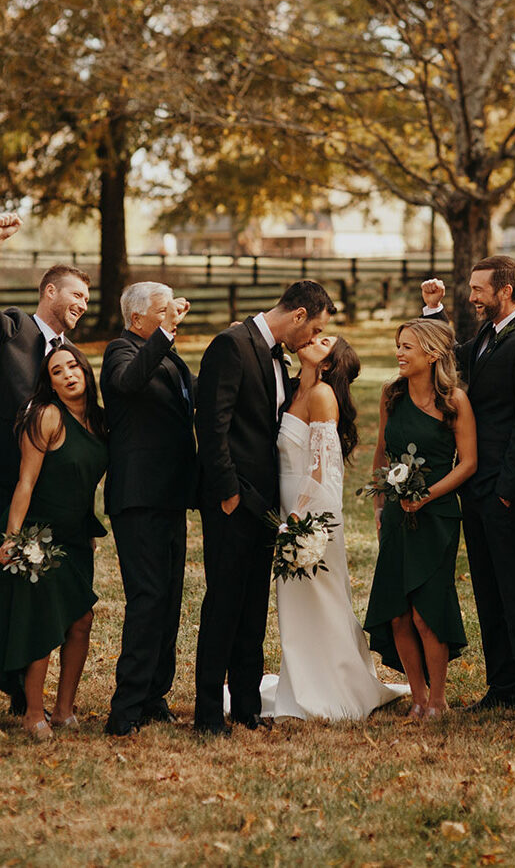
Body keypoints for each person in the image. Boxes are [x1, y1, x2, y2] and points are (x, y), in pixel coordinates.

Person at [194, 280, 337, 736]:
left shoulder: (278, 356)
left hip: (267, 507)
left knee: (253, 607)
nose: (312, 339)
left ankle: (246, 706)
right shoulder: (231, 346)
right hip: (233, 501)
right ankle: (208, 713)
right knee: (224, 605)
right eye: (313, 328)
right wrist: (228, 492)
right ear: (297, 315)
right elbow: (212, 426)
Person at [429, 255, 515, 720]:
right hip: (475, 488)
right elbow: (455, 354)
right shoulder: (487, 333)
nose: (471, 296)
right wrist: (434, 314)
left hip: (506, 492)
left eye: (479, 289)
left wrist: (504, 490)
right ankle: (501, 684)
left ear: (505, 291)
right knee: (487, 590)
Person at [261, 334, 407, 719]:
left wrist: (304, 521)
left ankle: (335, 684)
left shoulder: (322, 394)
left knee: (321, 596)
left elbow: (324, 468)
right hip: (287, 503)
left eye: (324, 340)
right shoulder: (293, 390)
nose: (313, 337)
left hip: (310, 511)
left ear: (328, 363)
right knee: (296, 601)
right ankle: (302, 678)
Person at [364, 319, 477, 719]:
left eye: (408, 347)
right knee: (397, 611)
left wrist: (427, 495)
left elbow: (468, 463)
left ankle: (438, 700)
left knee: (426, 612)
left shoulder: (455, 401)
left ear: (431, 354)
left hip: (438, 516)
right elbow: (381, 452)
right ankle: (416, 696)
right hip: (396, 513)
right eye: (399, 345)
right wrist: (380, 505)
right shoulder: (391, 394)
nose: (399, 353)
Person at [101, 282, 196, 737]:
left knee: (171, 597)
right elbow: (128, 382)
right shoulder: (120, 352)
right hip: (137, 498)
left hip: (170, 495)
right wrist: (166, 333)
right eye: (162, 309)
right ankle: (126, 708)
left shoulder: (169, 357)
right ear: (137, 319)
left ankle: (155, 694)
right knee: (148, 598)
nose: (171, 314)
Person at [0, 346, 107, 738]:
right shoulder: (47, 416)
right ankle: (32, 714)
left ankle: (63, 711)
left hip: (76, 536)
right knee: (43, 623)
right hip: (39, 535)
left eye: (73, 366)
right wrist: (13, 538)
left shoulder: (98, 421)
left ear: (85, 370)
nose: (68, 375)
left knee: (82, 619)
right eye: (57, 371)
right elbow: (25, 482)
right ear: (50, 382)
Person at [0, 212, 91, 512]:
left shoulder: (74, 358)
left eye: (87, 300)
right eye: (77, 295)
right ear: (50, 291)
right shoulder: (15, 327)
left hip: (53, 494)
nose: (83, 305)